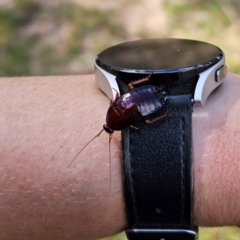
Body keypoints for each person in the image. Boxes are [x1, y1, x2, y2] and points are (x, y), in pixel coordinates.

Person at [0, 73, 240, 240]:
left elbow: (127, 112)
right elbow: (120, 98)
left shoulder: (118, 123)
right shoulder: (112, 115)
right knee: (139, 108)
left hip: (146, 102)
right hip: (142, 96)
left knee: (144, 119)